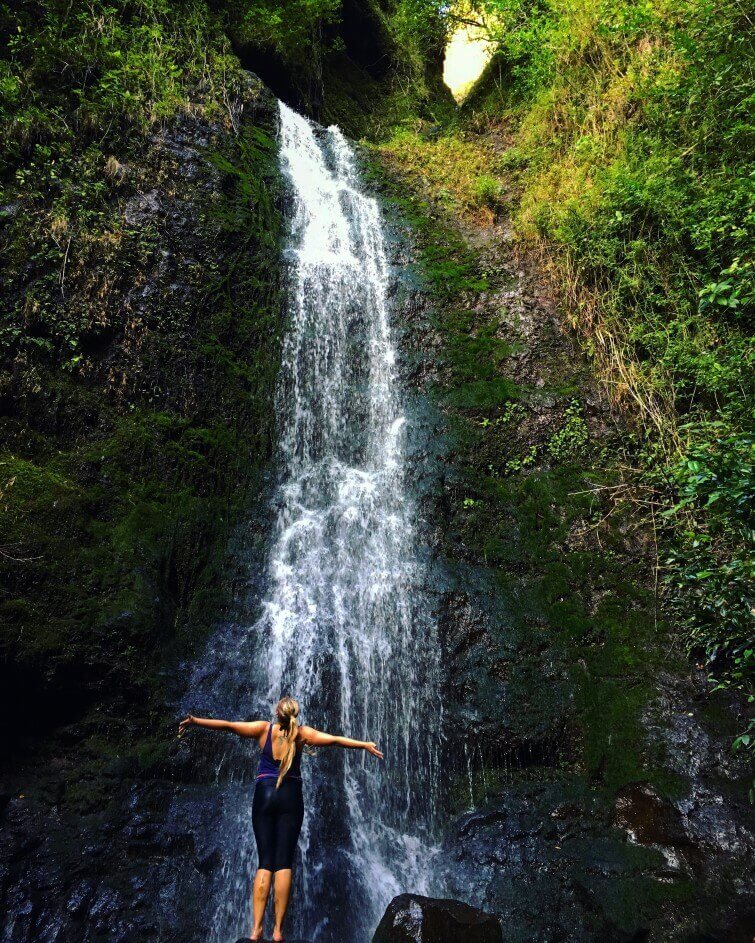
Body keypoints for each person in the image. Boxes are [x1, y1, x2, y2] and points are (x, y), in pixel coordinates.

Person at [178, 696, 383, 942]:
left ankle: (256, 930)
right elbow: (336, 740)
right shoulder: (302, 734)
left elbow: (227, 725)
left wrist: (194, 721)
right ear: (295, 713)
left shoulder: (264, 729)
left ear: (278, 712)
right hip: (290, 796)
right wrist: (364, 744)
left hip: (264, 794)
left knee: (265, 862)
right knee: (284, 863)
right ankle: (277, 932)